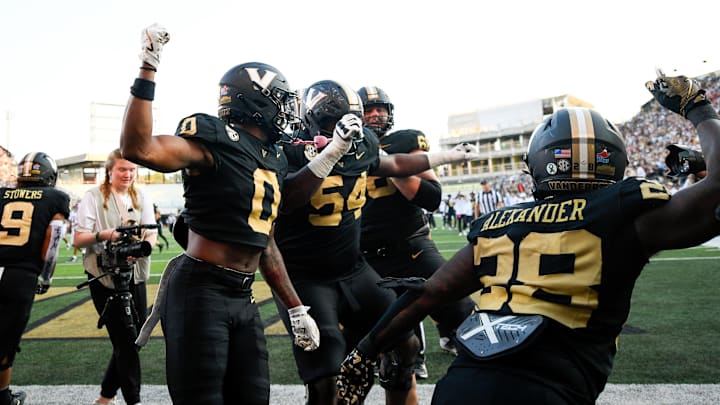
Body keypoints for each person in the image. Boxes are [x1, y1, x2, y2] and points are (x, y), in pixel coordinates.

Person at [338, 72, 720, 404]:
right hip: (553, 390)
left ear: (536, 162)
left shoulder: (501, 223)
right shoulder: (624, 211)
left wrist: (364, 351)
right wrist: (698, 109)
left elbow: (428, 292)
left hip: (461, 388)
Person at [119, 24, 343, 405]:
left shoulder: (271, 156)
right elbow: (138, 148)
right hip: (200, 291)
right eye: (280, 100)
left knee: (254, 397)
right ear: (256, 101)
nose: (287, 110)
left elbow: (265, 242)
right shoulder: (213, 137)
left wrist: (295, 307)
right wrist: (148, 66)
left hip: (243, 295)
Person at [274, 80, 481, 405]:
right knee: (326, 375)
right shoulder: (287, 149)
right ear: (313, 120)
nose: (342, 130)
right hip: (306, 277)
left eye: (346, 123)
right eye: (332, 123)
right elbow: (288, 199)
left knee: (405, 344)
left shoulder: (361, 143)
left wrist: (446, 156)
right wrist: (331, 153)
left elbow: (395, 165)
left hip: (355, 269)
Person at [357, 86, 475, 380]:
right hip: (367, 253)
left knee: (457, 301)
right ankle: (410, 355)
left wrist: (389, 163)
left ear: (389, 112)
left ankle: (463, 340)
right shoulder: (347, 145)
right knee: (387, 320)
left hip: (412, 245)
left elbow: (432, 197)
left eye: (379, 109)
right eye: (367, 109)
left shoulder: (405, 140)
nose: (374, 114)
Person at [73, 148, 158, 405]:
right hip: (105, 275)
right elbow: (79, 239)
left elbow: (151, 234)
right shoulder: (93, 197)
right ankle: (134, 400)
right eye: (122, 169)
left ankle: (105, 397)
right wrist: (106, 235)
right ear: (110, 171)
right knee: (125, 340)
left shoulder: (141, 195)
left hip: (135, 274)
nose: (128, 174)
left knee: (134, 338)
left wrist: (145, 249)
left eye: (132, 169)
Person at [0, 152, 69, 405]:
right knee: (6, 340)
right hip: (20, 275)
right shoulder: (56, 198)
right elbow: (54, 235)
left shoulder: (1, 194)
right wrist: (47, 276)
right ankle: (3, 395)